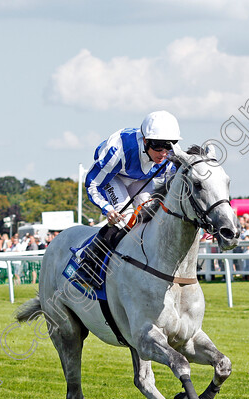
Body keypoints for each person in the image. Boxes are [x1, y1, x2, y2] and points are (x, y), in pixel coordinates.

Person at [72, 111, 181, 286]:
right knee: (127, 218)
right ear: (145, 141)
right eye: (158, 148)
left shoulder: (170, 155)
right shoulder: (118, 150)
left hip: (141, 178)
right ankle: (88, 260)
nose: (163, 154)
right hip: (113, 176)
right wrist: (108, 209)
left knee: (152, 216)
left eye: (168, 147)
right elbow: (92, 184)